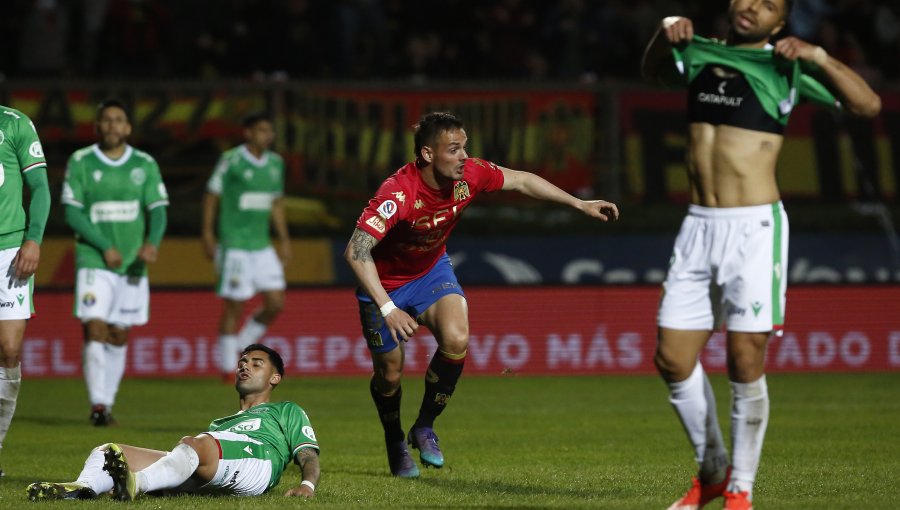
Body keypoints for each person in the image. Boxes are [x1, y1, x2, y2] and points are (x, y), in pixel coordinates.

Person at [640, 1, 881, 509]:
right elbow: (652, 72)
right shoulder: (698, 52)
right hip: (698, 227)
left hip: (753, 228)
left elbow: (868, 106)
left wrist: (818, 55)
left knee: (744, 359)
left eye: (769, 5)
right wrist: (665, 34)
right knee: (672, 357)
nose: (753, 7)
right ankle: (712, 470)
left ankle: (740, 491)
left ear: (781, 22)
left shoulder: (785, 65)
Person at [344, 111, 619, 478]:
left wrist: (579, 204)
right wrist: (388, 307)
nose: (464, 157)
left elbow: (521, 181)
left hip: (430, 272)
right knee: (390, 375)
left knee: (457, 338)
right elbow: (356, 252)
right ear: (427, 154)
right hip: (382, 285)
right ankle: (394, 441)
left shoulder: (469, 175)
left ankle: (425, 426)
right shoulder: (398, 193)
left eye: (465, 148)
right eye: (454, 149)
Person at [26, 344, 320, 500]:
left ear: (275, 378)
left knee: (196, 444)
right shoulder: (221, 424)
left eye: (256, 363)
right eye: (242, 362)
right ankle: (83, 488)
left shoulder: (285, 410)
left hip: (259, 462)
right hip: (215, 460)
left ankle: (136, 484)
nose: (245, 366)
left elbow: (307, 454)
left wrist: (307, 484)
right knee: (108, 450)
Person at [62, 99, 169, 426]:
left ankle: (107, 403)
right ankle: (97, 405)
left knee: (119, 335)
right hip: (94, 258)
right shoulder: (81, 161)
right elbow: (71, 211)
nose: (112, 125)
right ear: (97, 127)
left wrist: (152, 243)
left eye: (118, 120)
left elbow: (158, 209)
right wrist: (104, 245)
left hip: (132, 262)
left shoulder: (144, 163)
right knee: (94, 327)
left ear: (127, 128)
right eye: (106, 120)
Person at [202, 113, 290, 379]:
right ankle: (229, 369)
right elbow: (211, 195)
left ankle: (241, 344)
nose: (268, 135)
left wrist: (284, 239)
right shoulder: (231, 161)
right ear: (248, 133)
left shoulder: (275, 163)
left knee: (276, 302)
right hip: (234, 244)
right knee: (234, 306)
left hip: (262, 245)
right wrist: (207, 233)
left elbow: (275, 203)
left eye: (270, 131)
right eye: (262, 130)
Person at [0, 105, 51, 476]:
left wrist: (33, 240)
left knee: (8, 349)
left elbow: (40, 188)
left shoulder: (14, 123)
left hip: (9, 250)